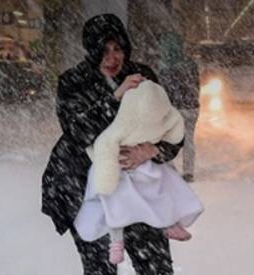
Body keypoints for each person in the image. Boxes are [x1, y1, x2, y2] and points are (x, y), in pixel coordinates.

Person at [40, 14, 180, 275]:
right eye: (103, 50)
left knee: (160, 274)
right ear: (90, 50)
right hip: (89, 192)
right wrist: (115, 97)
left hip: (138, 194)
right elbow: (77, 130)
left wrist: (152, 151)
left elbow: (170, 129)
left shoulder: (143, 75)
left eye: (117, 48)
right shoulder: (72, 82)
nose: (112, 57)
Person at [74, 80, 203, 265]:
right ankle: (116, 241)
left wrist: (154, 150)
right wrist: (106, 176)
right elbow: (96, 140)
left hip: (146, 165)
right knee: (115, 205)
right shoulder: (114, 121)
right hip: (115, 167)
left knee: (162, 188)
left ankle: (169, 221)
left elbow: (174, 133)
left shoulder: (146, 89)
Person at [157, 31, 200, 182]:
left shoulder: (164, 66)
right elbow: (196, 84)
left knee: (167, 139)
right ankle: (188, 171)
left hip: (173, 108)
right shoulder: (190, 63)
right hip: (191, 107)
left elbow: (163, 89)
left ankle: (168, 169)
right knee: (189, 140)